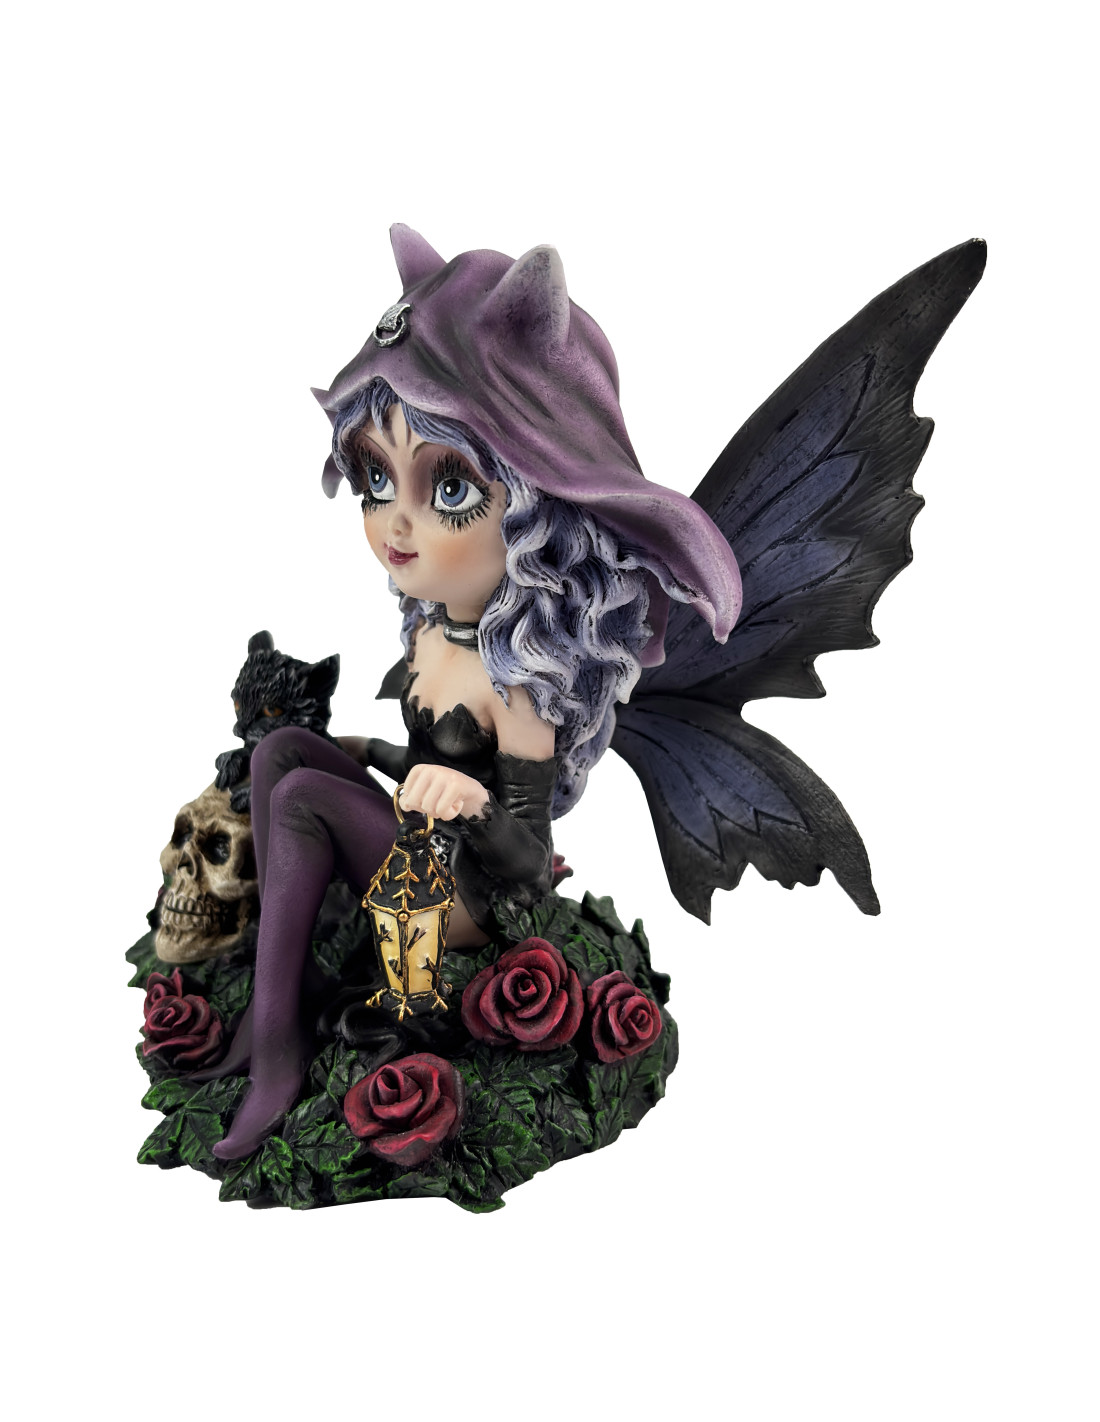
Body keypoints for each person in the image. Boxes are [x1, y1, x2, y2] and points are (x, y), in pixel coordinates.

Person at [210, 227, 741, 1160]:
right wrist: (373, 756)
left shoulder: (519, 679)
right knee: (286, 754)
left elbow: (529, 864)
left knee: (301, 799)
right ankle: (271, 1005)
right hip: (415, 855)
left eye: (448, 490)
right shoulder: (429, 629)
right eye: (377, 480)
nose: (396, 524)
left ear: (534, 512)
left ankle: (281, 1052)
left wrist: (472, 800)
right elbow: (418, 762)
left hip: (463, 895)